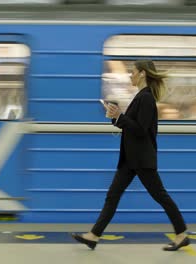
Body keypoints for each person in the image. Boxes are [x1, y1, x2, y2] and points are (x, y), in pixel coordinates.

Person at [71, 60, 189, 251]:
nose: (130, 75)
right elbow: (132, 126)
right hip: (131, 159)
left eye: (133, 72)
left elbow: (141, 130)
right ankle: (93, 236)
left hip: (141, 159)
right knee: (113, 195)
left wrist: (120, 116)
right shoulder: (141, 96)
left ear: (142, 73)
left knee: (160, 196)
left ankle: (182, 234)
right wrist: (116, 117)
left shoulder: (146, 98)